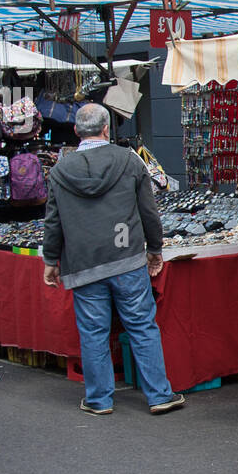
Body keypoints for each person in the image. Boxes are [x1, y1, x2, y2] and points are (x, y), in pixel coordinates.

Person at [42, 103, 184, 416]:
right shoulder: (129, 161)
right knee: (142, 326)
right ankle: (159, 395)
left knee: (93, 332)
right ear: (107, 128)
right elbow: (148, 211)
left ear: (77, 131)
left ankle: (98, 399)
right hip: (126, 258)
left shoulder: (61, 170)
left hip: (83, 261)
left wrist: (51, 260)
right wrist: (155, 249)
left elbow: (53, 221)